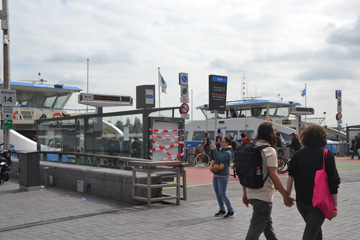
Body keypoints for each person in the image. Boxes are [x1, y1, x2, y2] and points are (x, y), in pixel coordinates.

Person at [287, 124, 341, 240]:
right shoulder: (327, 155)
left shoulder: (297, 156)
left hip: (301, 202)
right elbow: (333, 182)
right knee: (310, 234)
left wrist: (287, 196)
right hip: (318, 203)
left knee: (315, 231)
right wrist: (335, 204)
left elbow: (290, 179)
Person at [242, 122, 295, 240]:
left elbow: (244, 173)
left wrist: (245, 194)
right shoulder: (269, 150)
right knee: (255, 229)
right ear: (269, 134)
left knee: (267, 225)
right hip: (263, 195)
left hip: (251, 193)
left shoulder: (251, 148)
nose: (275, 134)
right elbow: (273, 175)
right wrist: (286, 195)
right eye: (274, 131)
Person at [210, 137, 237, 218]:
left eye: (223, 142)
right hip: (216, 175)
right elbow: (213, 158)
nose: (221, 143)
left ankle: (231, 211)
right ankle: (222, 210)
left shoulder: (228, 152)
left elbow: (218, 160)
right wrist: (212, 150)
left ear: (228, 143)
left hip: (223, 176)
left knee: (222, 194)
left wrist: (214, 150)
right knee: (218, 194)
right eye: (221, 141)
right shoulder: (222, 150)